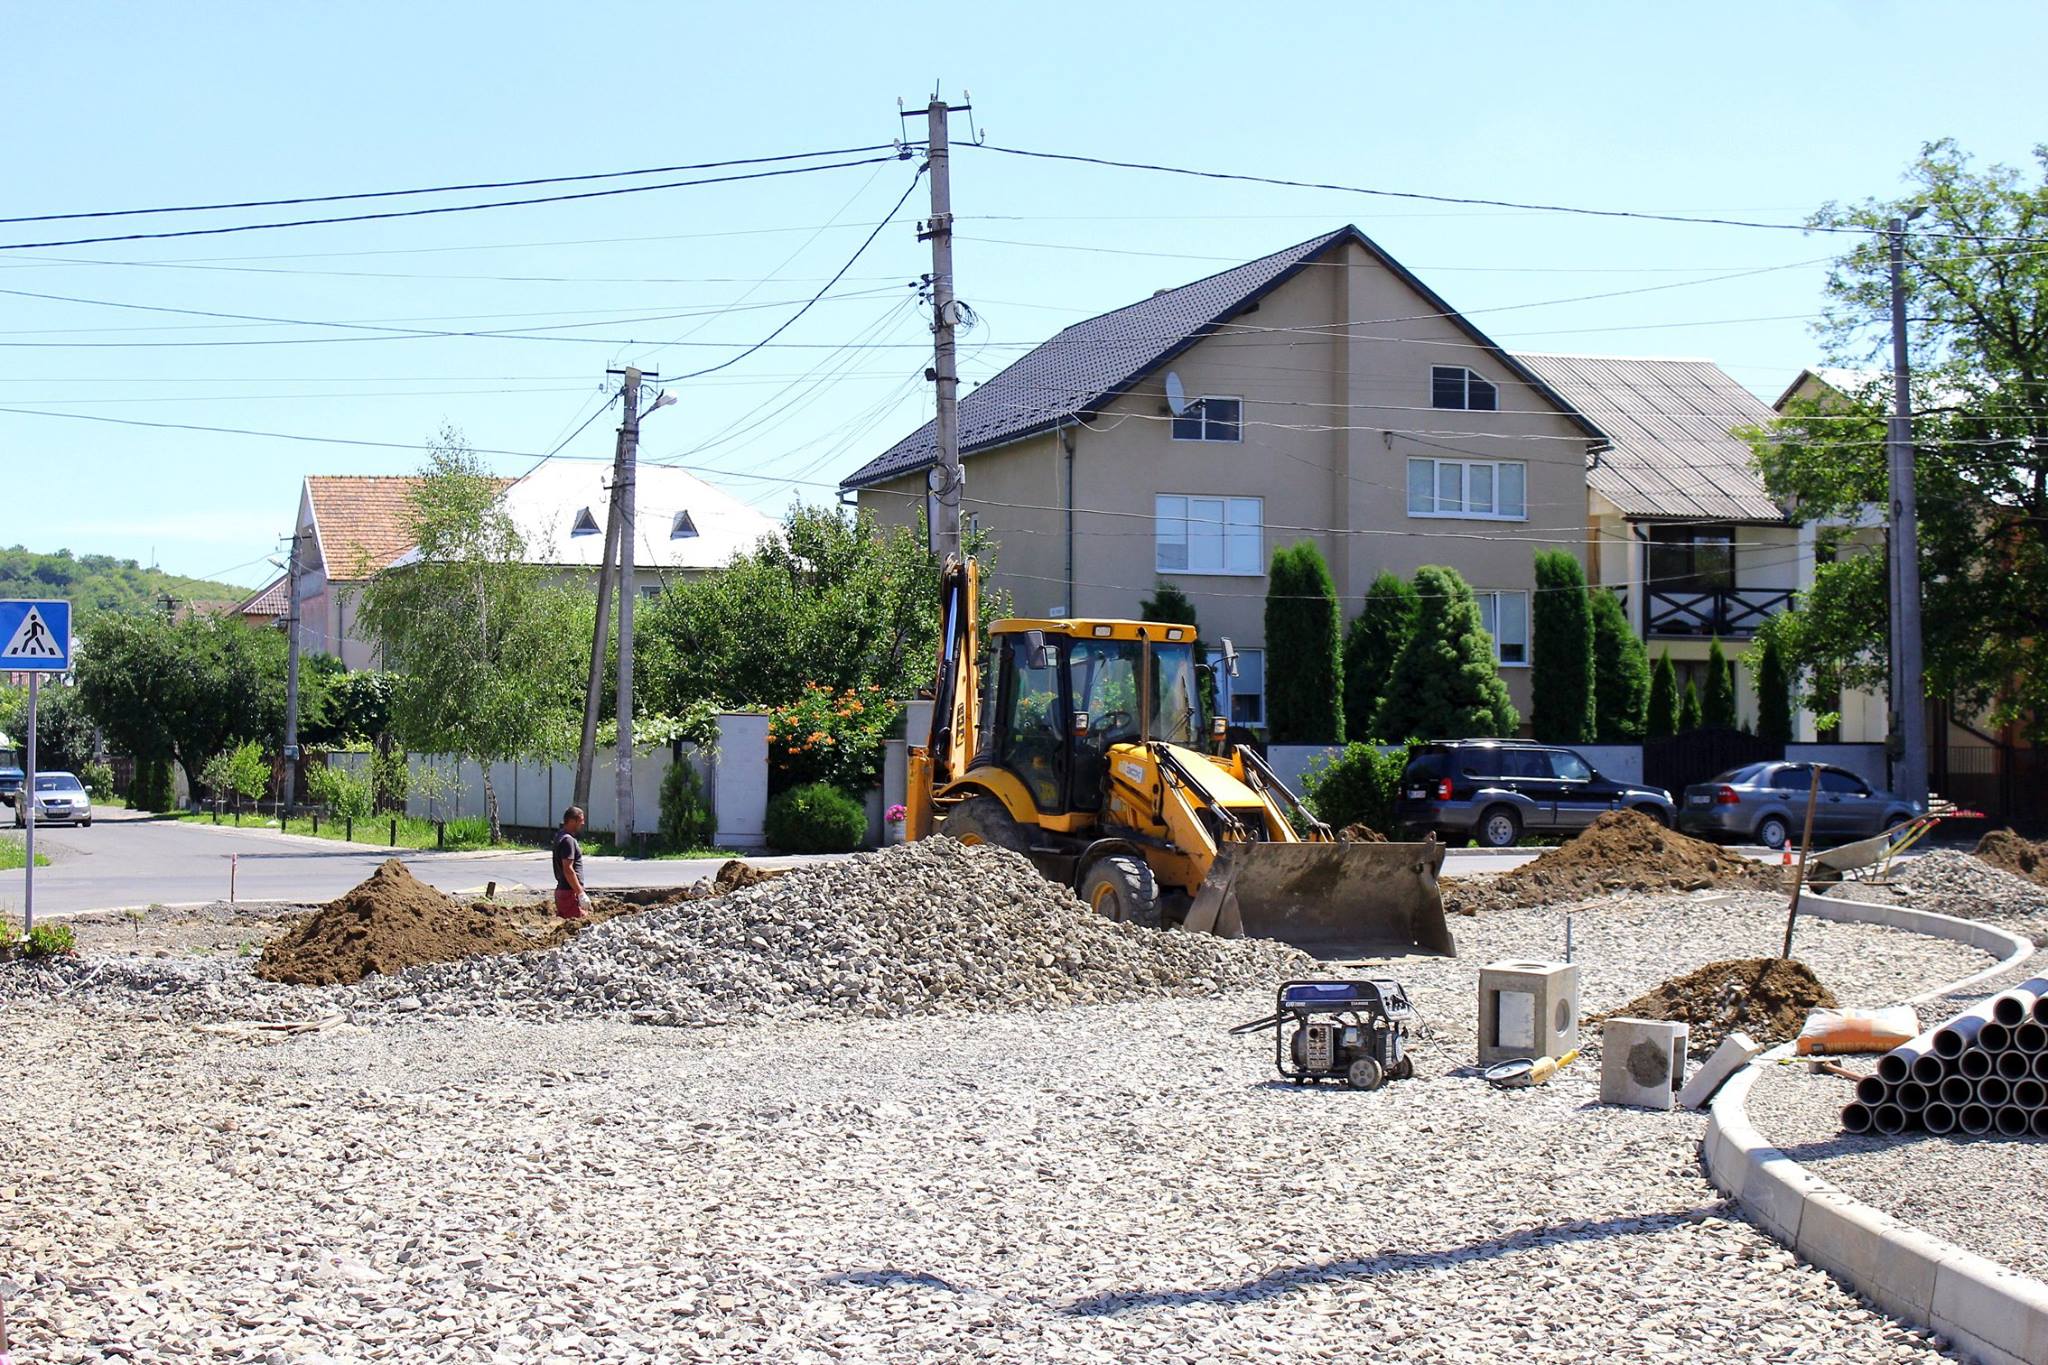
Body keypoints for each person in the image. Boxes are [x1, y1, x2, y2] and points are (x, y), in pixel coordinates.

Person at [553, 806, 591, 919]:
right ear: (572, 821)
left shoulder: (560, 836)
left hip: (564, 891)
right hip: (569, 893)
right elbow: (568, 869)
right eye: (580, 820)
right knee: (580, 926)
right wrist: (580, 893)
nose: (583, 823)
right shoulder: (568, 840)